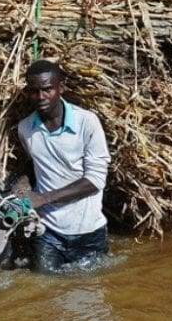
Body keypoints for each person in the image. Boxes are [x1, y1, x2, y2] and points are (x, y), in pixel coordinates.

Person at [13, 59, 111, 273]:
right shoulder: (26, 128)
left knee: (91, 295)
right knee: (43, 292)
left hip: (89, 232)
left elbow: (95, 180)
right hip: (48, 232)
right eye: (34, 91)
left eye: (47, 89)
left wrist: (43, 198)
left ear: (61, 87)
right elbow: (35, 166)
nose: (40, 98)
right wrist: (22, 188)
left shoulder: (87, 122)